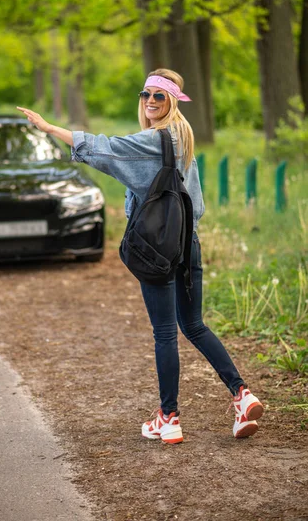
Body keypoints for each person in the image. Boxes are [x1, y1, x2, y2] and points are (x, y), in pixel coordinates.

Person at [17, 68, 264, 444]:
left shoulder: (154, 139)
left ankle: (169, 417)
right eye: (145, 94)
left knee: (165, 332)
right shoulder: (184, 138)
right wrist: (184, 239)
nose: (150, 101)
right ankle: (242, 395)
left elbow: (104, 148)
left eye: (159, 96)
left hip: (156, 247)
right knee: (194, 325)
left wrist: (50, 128)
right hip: (187, 243)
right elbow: (195, 205)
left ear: (172, 102)